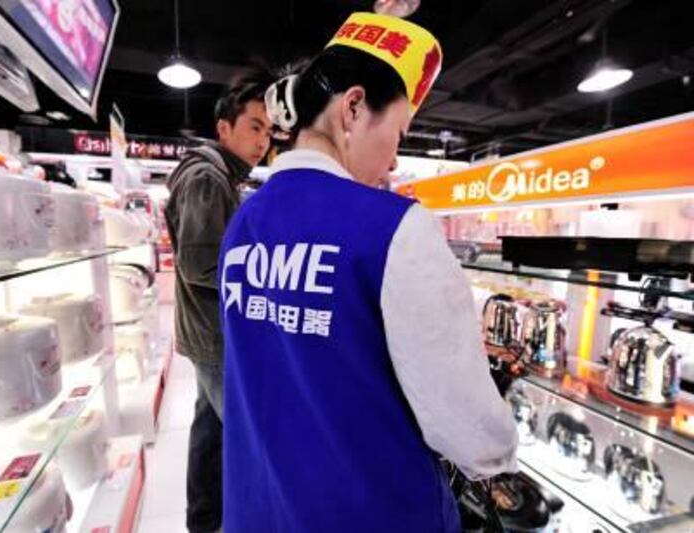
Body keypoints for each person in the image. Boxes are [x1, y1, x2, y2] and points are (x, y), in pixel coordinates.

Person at [219, 12, 518, 532]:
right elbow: (467, 427)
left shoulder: (244, 220)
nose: (396, 161)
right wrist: (499, 457)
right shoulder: (394, 228)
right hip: (373, 508)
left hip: (262, 505)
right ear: (354, 108)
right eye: (399, 133)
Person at [164, 70, 273, 533]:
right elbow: (198, 265)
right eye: (254, 126)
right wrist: (262, 277)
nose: (263, 140)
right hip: (214, 335)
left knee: (209, 431)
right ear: (224, 128)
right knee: (247, 437)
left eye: (269, 131)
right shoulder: (209, 178)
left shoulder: (217, 176)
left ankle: (205, 520)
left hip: (205, 330)